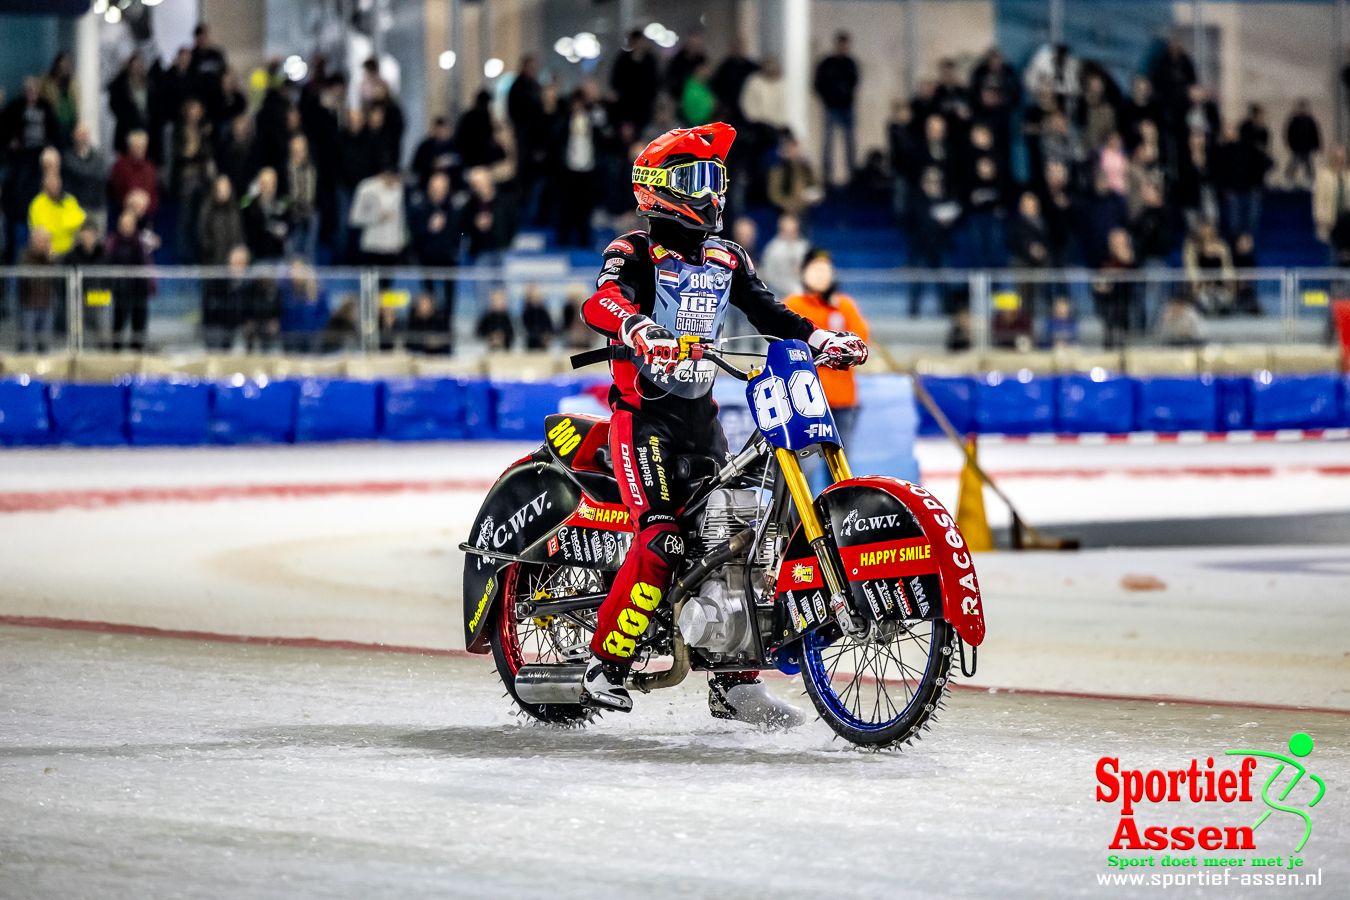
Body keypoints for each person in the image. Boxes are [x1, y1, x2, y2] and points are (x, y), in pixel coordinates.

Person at [577, 122, 866, 723]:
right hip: (643, 419)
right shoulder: (631, 250)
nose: (711, 193)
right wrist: (638, 329)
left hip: (702, 418)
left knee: (738, 537)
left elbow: (768, 310)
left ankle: (734, 684)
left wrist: (820, 337)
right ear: (656, 187)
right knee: (662, 539)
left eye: (717, 179)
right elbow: (601, 301)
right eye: (696, 179)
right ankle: (605, 661)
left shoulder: (725, 254)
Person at [784, 247, 869, 489]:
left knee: (841, 471)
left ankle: (839, 524)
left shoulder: (844, 305)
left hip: (843, 402)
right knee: (804, 471)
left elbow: (860, 340)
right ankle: (801, 525)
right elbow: (788, 345)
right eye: (816, 269)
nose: (822, 275)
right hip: (805, 404)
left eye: (826, 270)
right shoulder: (792, 304)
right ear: (803, 272)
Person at [814, 31, 859, 185]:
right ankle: (827, 177)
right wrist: (828, 97)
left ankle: (853, 175)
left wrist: (845, 93)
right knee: (828, 143)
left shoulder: (850, 64)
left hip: (847, 106)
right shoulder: (827, 63)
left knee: (850, 142)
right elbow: (818, 84)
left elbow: (854, 82)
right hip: (831, 107)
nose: (842, 48)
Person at [105, 209, 152, 350]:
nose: (126, 226)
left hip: (139, 289)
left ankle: (137, 353)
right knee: (118, 323)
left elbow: (148, 262)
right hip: (120, 290)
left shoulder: (141, 240)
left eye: (129, 223)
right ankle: (116, 351)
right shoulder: (112, 241)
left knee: (139, 324)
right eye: (124, 223)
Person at [348, 166, 406, 265]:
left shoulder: (400, 190)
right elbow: (354, 218)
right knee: (369, 279)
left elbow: (402, 220)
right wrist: (377, 217)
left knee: (387, 278)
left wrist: (400, 242)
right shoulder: (367, 188)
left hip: (392, 249)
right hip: (371, 247)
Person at [60, 125, 108, 238]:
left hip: (97, 205)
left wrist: (83, 174)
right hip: (77, 206)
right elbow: (83, 172)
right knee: (78, 242)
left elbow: (101, 174)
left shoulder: (98, 155)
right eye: (80, 135)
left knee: (98, 242)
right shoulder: (68, 156)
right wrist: (90, 173)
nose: (83, 138)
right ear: (74, 137)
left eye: (85, 135)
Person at [17, 227, 60, 352]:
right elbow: (25, 277)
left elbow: (58, 277)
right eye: (40, 240)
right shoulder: (24, 255)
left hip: (47, 304)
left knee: (45, 344)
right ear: (32, 241)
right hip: (28, 305)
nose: (43, 244)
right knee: (27, 344)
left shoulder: (52, 258)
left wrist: (49, 258)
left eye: (46, 241)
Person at [611, 31, 659, 133]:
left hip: (645, 105)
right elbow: (615, 80)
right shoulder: (623, 59)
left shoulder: (650, 60)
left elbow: (655, 81)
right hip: (626, 105)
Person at [28, 170, 84, 256]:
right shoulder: (38, 203)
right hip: (46, 252)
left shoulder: (70, 201)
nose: (54, 185)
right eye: (51, 182)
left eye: (57, 182)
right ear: (45, 185)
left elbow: (78, 222)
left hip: (69, 252)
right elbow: (37, 230)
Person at [766, 133, 822, 220]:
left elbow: (816, 185)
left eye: (796, 147)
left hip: (805, 208)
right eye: (792, 148)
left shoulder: (805, 167)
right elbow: (774, 193)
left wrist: (815, 197)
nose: (796, 150)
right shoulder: (778, 168)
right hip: (785, 210)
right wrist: (785, 203)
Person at [279, 259, 329, 352]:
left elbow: (324, 311)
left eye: (299, 269)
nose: (296, 272)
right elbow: (281, 311)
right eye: (293, 269)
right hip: (291, 335)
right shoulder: (285, 288)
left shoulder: (317, 288)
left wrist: (318, 328)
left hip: (312, 335)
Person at [241, 167, 289, 261]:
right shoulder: (251, 206)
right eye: (266, 183)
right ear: (260, 184)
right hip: (259, 257)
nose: (270, 187)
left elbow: (288, 225)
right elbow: (250, 229)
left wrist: (284, 230)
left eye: (273, 183)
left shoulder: (281, 203)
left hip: (279, 256)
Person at [109, 130, 158, 221]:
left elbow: (154, 194)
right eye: (137, 146)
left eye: (143, 146)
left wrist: (146, 205)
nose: (140, 149)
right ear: (130, 147)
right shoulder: (120, 165)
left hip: (146, 214)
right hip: (124, 214)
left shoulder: (150, 167)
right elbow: (116, 192)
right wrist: (131, 202)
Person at [1313, 144, 1350, 263]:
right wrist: (1322, 219)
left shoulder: (1348, 176)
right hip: (1330, 223)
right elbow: (1318, 200)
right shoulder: (1323, 176)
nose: (1340, 160)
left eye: (1342, 157)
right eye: (1337, 157)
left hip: (1347, 224)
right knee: (1332, 258)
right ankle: (1333, 281)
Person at [759, 213, 809, 299]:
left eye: (793, 230)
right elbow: (769, 276)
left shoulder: (803, 246)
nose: (790, 232)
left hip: (802, 293)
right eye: (787, 229)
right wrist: (793, 289)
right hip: (779, 296)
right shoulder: (772, 249)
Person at [286, 134, 319, 260]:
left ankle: (309, 271)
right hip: (291, 214)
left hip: (309, 213)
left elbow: (312, 195)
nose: (299, 153)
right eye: (296, 150)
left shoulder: (312, 168)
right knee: (292, 256)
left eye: (302, 149)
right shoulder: (285, 169)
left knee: (315, 217)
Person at [1285, 99, 1321, 188]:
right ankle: (1289, 180)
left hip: (1307, 147)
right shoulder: (1294, 120)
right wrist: (1291, 145)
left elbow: (1315, 133)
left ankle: (1310, 181)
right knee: (1293, 164)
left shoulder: (1310, 120)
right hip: (1297, 148)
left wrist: (1316, 145)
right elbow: (1289, 133)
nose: (1302, 110)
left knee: (1309, 166)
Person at [521, 284, 555, 350]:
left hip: (545, 345)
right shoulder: (527, 311)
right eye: (534, 294)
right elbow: (526, 329)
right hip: (531, 345)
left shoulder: (544, 311)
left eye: (538, 293)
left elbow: (550, 327)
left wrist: (547, 335)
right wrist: (541, 336)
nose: (537, 296)